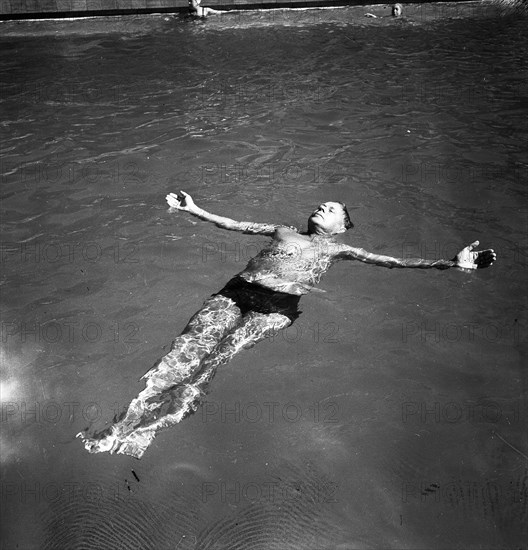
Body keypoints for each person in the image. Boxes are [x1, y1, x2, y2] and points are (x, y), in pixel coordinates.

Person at [77, 192, 496, 458]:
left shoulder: (341, 250)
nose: (322, 208)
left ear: (341, 226)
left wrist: (448, 263)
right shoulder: (279, 230)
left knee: (211, 363)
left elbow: (393, 262)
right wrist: (193, 209)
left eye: (331, 209)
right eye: (320, 204)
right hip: (236, 292)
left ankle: (150, 428)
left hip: (276, 309)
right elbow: (235, 224)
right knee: (181, 353)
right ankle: (125, 421)